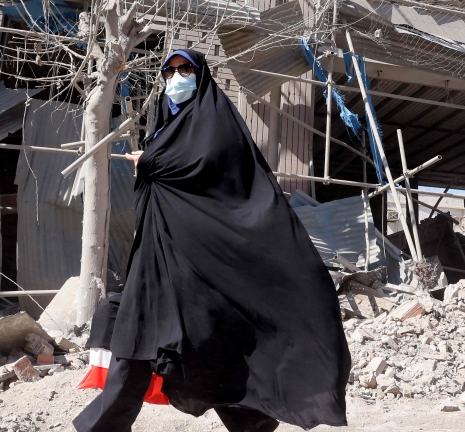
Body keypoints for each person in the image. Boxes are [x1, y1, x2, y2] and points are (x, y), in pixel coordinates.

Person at [73, 49, 351, 432]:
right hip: (160, 261)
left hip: (201, 266)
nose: (177, 77)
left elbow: (209, 173)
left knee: (205, 346)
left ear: (200, 74)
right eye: (169, 71)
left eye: (185, 69)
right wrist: (152, 161)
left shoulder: (216, 123)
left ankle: (249, 423)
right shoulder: (166, 129)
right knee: (138, 334)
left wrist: (151, 162)